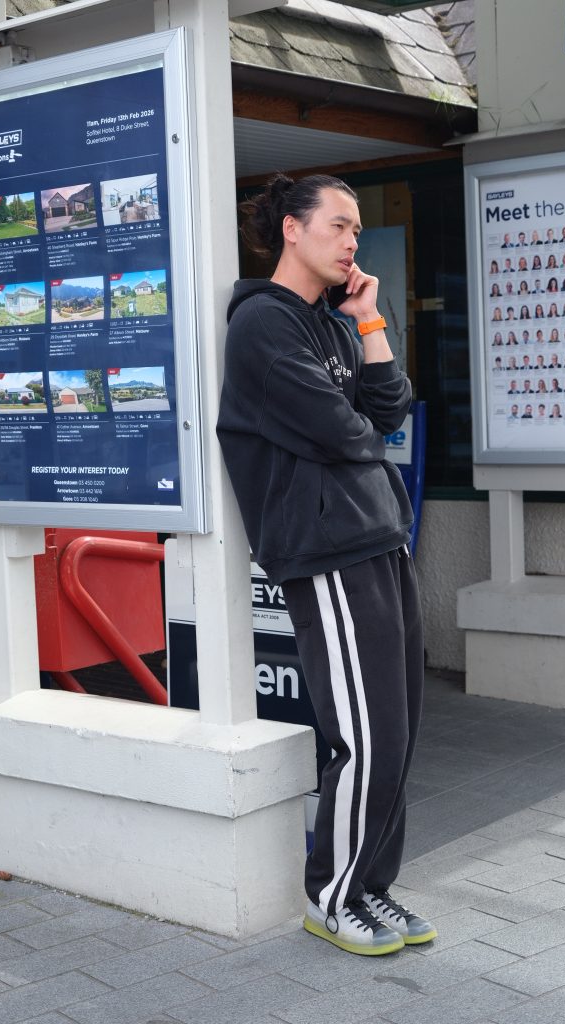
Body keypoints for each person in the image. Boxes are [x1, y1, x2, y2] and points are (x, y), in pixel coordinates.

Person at [217, 173, 435, 956]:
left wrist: (370, 320)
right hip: (326, 550)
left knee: (396, 732)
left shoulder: (337, 325)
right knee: (362, 736)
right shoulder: (261, 325)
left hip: (378, 538)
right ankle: (333, 897)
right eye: (339, 225)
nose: (352, 240)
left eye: (357, 229)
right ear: (292, 229)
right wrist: (361, 434)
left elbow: (388, 410)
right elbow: (342, 431)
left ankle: (371, 887)